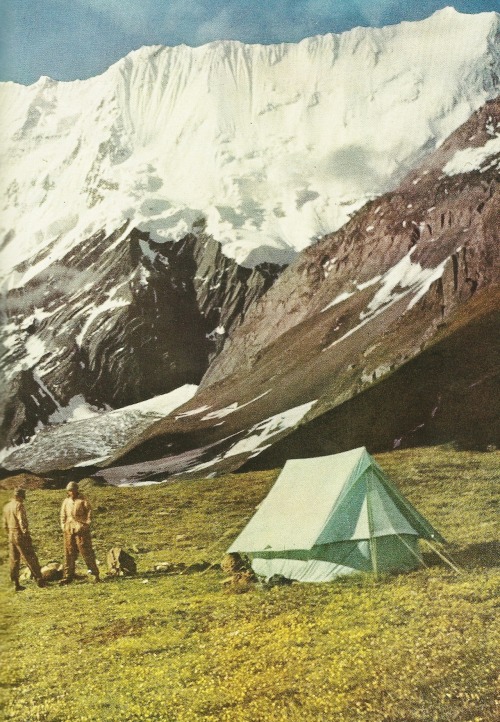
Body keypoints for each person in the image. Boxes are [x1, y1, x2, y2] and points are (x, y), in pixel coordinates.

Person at [3, 488, 45, 591]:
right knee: (30, 557)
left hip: (11, 535)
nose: (23, 500)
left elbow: (4, 525)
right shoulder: (19, 505)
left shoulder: (7, 506)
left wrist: (9, 533)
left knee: (14, 560)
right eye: (22, 498)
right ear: (20, 496)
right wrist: (26, 534)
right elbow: (22, 521)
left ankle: (16, 583)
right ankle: (39, 579)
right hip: (20, 534)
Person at [59, 481, 100, 584]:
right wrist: (63, 526)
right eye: (69, 491)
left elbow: (89, 513)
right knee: (69, 553)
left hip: (81, 529)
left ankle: (95, 574)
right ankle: (68, 576)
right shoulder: (66, 501)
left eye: (73, 490)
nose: (71, 492)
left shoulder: (83, 500)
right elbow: (62, 515)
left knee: (86, 552)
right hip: (69, 529)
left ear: (76, 490)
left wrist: (86, 524)